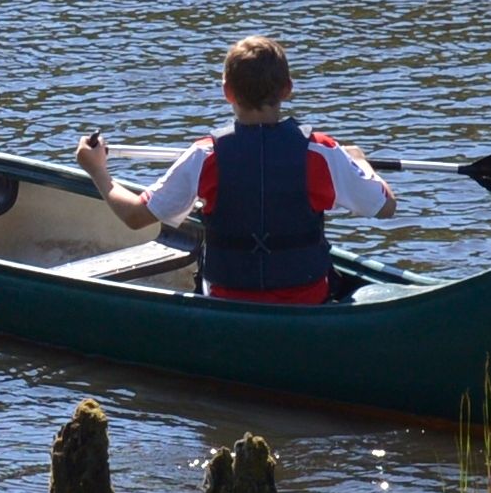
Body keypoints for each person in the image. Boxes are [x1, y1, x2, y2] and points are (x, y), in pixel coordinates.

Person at [71, 35, 394, 304]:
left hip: (228, 299)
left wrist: (97, 170)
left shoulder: (205, 155)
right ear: (287, 89)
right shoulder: (321, 151)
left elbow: (135, 216)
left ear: (227, 92)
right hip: (307, 299)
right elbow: (385, 207)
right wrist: (360, 161)